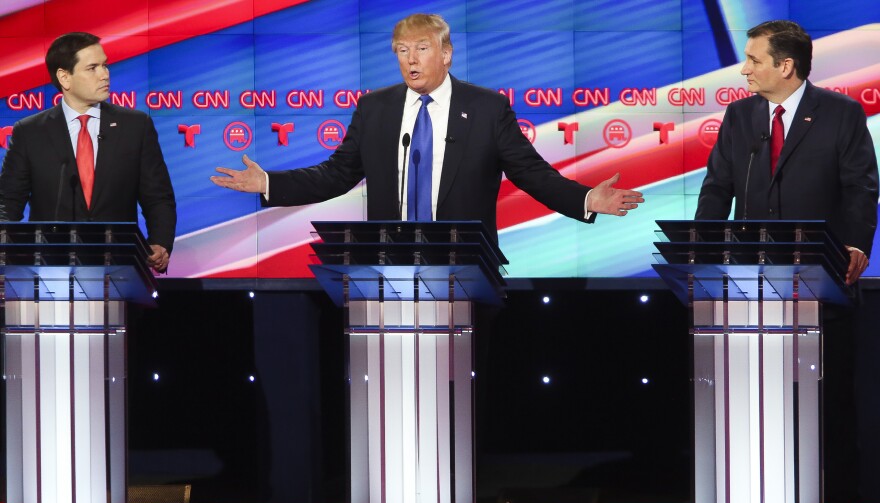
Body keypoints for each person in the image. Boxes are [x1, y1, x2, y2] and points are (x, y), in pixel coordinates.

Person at [210, 13, 643, 243]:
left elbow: (532, 174)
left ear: (446, 53)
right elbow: (336, 174)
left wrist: (586, 198)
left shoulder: (488, 109)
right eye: (402, 50)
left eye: (421, 49)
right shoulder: (375, 109)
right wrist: (270, 182)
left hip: (465, 271)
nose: (410, 60)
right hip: (386, 270)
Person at [696, 20, 879, 503]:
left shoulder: (841, 114)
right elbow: (717, 189)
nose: (744, 68)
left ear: (785, 66)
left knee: (831, 419)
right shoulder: (739, 115)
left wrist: (855, 244)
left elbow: (860, 189)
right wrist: (703, 252)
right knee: (757, 415)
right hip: (752, 292)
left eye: (753, 59)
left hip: (823, 289)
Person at [0, 32, 177, 272]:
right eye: (92, 68)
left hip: (118, 268)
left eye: (105, 65)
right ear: (65, 77)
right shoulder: (30, 132)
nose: (105, 74)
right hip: (49, 269)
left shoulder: (135, 126)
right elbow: (8, 203)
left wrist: (160, 242)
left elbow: (157, 196)